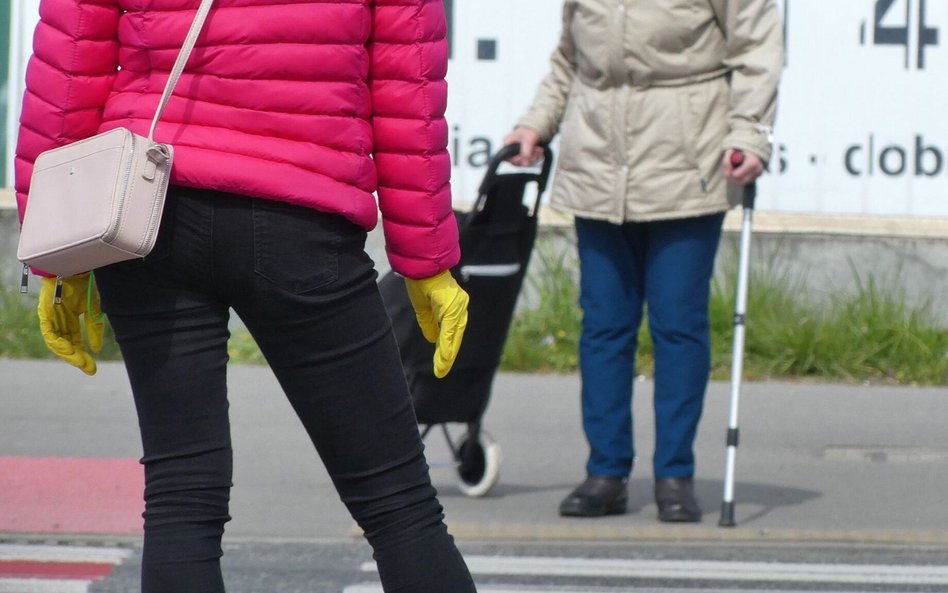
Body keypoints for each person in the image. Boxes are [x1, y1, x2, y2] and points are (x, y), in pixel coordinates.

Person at [15, 1, 478, 592]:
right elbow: (405, 83)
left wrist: (54, 247)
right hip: (302, 209)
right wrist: (427, 259)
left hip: (152, 208)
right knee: (399, 503)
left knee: (181, 495)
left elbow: (70, 60)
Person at [504, 0, 783, 522]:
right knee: (605, 326)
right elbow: (569, 58)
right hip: (597, 164)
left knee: (678, 324)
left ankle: (674, 474)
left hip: (687, 161)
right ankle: (606, 473)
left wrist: (748, 134)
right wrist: (535, 124)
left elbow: (755, 50)